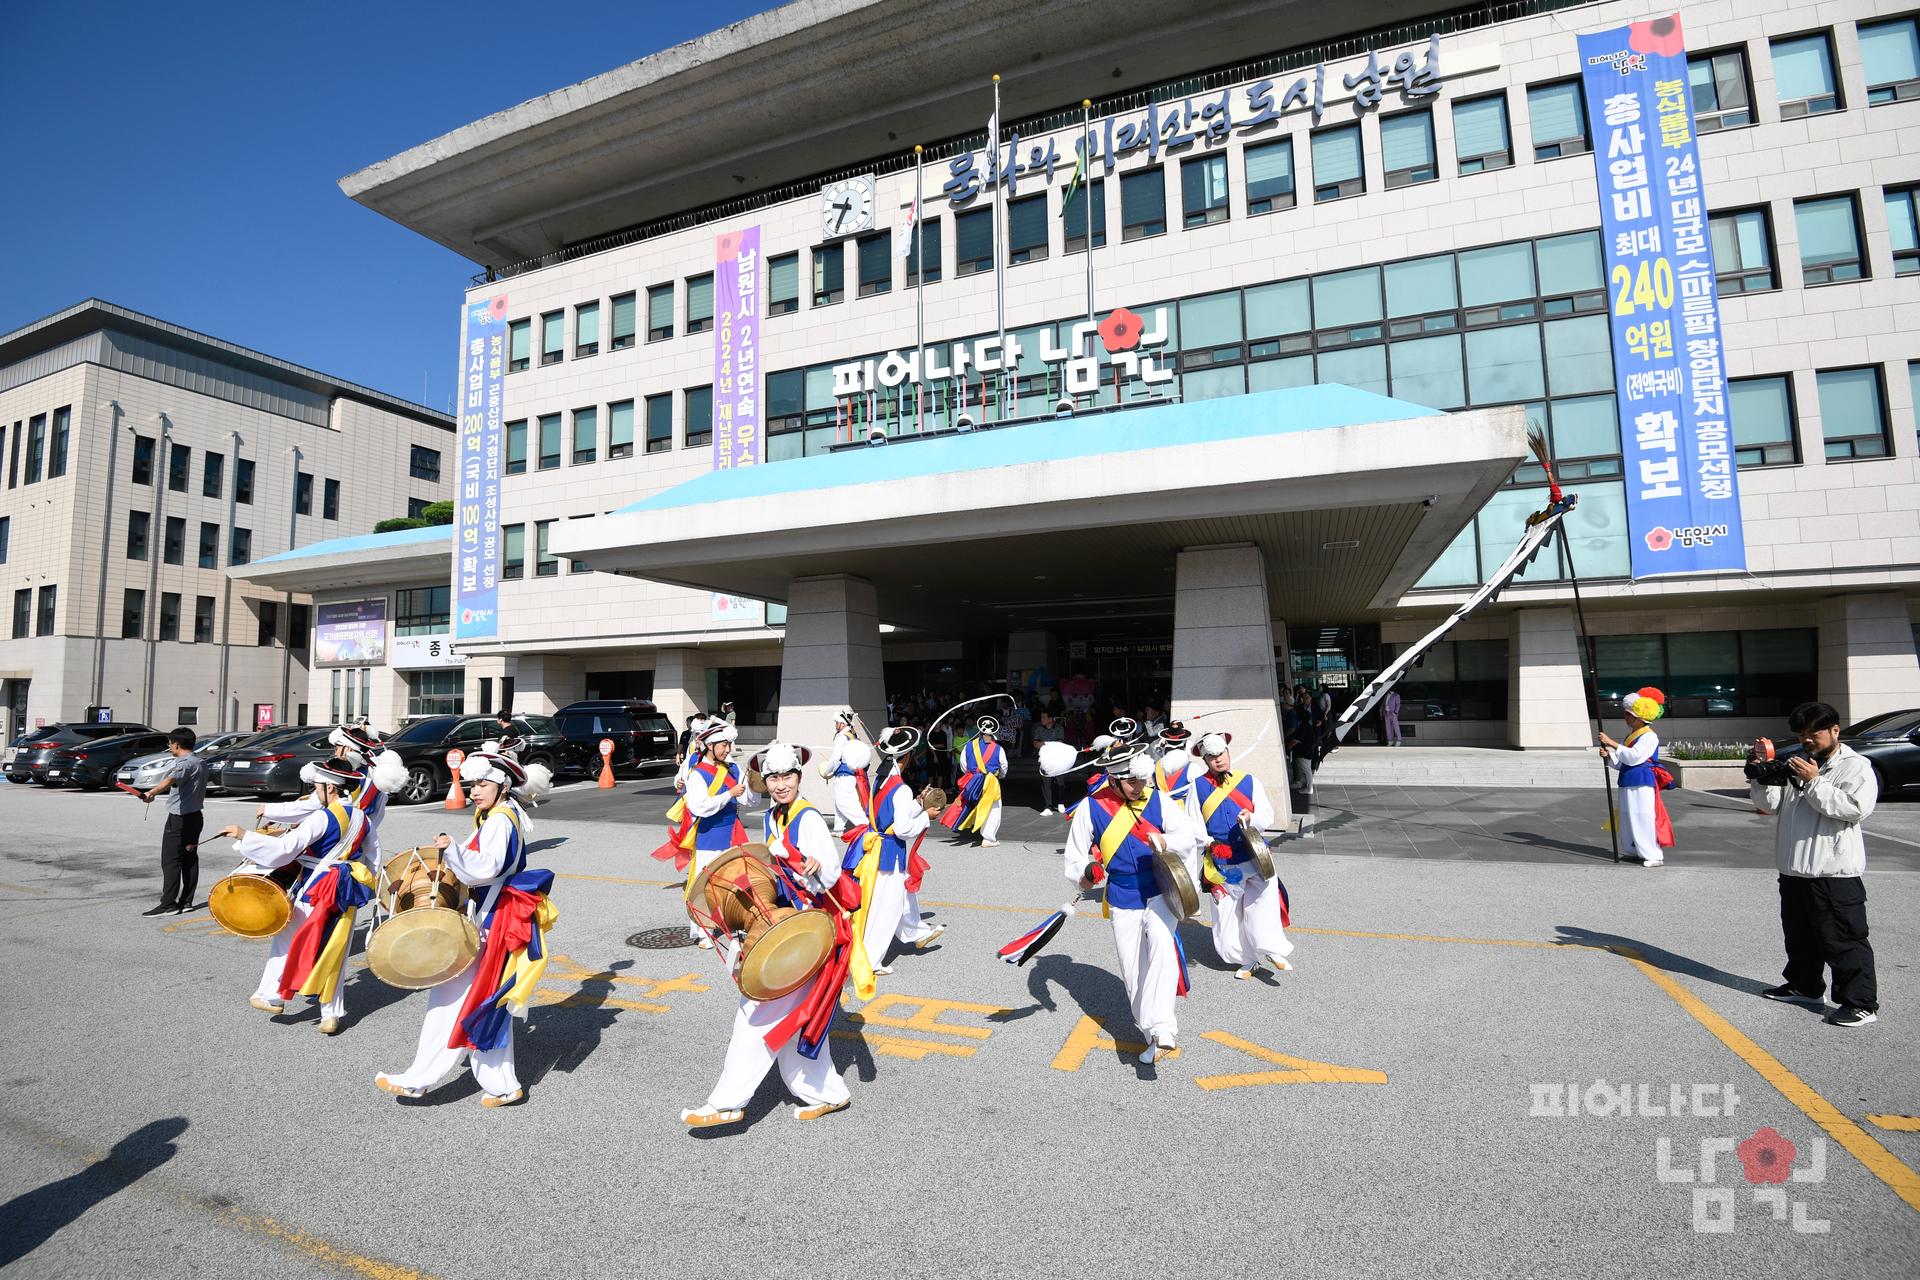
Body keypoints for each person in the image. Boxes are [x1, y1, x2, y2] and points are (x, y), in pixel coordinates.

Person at [682, 743, 853, 1127]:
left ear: (798, 776)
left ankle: (727, 1102)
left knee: (756, 1014)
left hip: (803, 930)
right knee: (795, 1023)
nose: (780, 784)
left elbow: (831, 875)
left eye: (787, 776)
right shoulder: (775, 814)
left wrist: (815, 865)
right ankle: (828, 1092)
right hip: (785, 925)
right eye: (773, 778)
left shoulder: (807, 818)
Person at [376, 749, 556, 1104]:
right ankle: (500, 1085)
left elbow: (487, 867)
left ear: (502, 786)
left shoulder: (501, 820)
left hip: (492, 919)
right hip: (491, 915)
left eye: (483, 783)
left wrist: (453, 851)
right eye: (473, 784)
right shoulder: (497, 814)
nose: (475, 790)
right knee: (482, 1001)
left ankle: (426, 1078)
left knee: (463, 999)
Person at [1063, 742, 1203, 1064]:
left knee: (1162, 948)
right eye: (1132, 782)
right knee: (1132, 970)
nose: (1139, 786)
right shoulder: (1091, 807)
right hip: (1123, 898)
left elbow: (1189, 834)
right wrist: (1086, 871)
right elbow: (1073, 859)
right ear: (1113, 780)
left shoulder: (1157, 799)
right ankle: (1149, 1034)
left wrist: (1167, 840)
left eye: (1141, 780)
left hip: (1160, 891)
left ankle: (1164, 1027)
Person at [214, 760, 372, 1036]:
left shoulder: (322, 817)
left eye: (316, 787)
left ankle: (272, 995)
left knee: (286, 938)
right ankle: (330, 1014)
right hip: (345, 888)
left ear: (329, 788)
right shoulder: (362, 818)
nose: (314, 791)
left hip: (315, 887)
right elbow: (373, 856)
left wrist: (244, 836)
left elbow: (286, 848)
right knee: (335, 952)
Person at [1748, 702, 1880, 1027]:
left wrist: (1814, 782)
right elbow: (1770, 805)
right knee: (1799, 936)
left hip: (1832, 871)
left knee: (1843, 938)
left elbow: (1854, 808)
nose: (1808, 740)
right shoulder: (1801, 762)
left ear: (1835, 730)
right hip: (1794, 868)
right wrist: (1763, 777)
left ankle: (1860, 1003)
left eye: (1814, 734)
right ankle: (1805, 986)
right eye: (1802, 735)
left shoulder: (1855, 766)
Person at [1187, 732, 1293, 980]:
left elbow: (1266, 813)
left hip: (1254, 855)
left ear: (1228, 752)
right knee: (1227, 914)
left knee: (1263, 905)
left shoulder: (1250, 781)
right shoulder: (1197, 787)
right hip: (1222, 862)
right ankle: (1246, 960)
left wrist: (1251, 818)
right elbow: (1192, 822)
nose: (1218, 760)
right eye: (1212, 757)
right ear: (1205, 760)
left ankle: (1272, 949)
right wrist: (1208, 843)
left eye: (1221, 754)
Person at [846, 725, 945, 977]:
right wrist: (926, 816)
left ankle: (918, 932)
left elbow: (888, 816)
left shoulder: (880, 780)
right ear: (908, 756)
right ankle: (869, 962)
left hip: (877, 848)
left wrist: (918, 803)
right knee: (886, 909)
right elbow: (902, 829)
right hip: (889, 853)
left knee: (900, 898)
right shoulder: (900, 788)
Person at [655, 720, 750, 945]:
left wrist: (755, 785)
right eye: (723, 745)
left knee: (739, 880)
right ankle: (703, 930)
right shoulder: (698, 773)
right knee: (705, 884)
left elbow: (748, 800)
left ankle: (739, 923)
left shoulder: (734, 768)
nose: (728, 749)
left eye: (729, 745)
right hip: (709, 834)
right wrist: (730, 794)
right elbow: (699, 807)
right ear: (710, 746)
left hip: (733, 832)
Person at [258, 725, 407, 867]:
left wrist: (269, 810)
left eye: (337, 747)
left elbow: (313, 805)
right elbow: (377, 816)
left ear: (347, 748)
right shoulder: (376, 774)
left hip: (329, 848)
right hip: (356, 845)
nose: (335, 751)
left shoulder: (343, 777)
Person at [1598, 686, 1672, 867]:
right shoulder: (1632, 736)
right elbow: (1623, 762)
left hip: (1642, 781)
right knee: (1627, 816)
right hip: (1628, 779)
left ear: (1638, 717)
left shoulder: (1649, 736)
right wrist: (1610, 757)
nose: (1626, 717)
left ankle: (1653, 854)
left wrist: (1612, 744)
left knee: (1642, 816)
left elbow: (1634, 757)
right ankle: (1635, 849)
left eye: (1628, 715)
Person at [140, 728, 207, 916]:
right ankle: (186, 901)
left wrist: (151, 793)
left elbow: (171, 779)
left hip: (179, 820)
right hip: (195, 817)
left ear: (176, 744)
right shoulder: (201, 762)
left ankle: (168, 904)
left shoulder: (183, 763)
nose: (169, 747)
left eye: (169, 743)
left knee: (171, 861)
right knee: (190, 859)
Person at [940, 715, 1008, 846]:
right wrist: (1000, 776)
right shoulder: (999, 749)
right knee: (993, 808)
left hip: (972, 780)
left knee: (970, 804)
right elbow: (1004, 767)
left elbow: (963, 765)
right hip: (990, 781)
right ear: (993, 733)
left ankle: (971, 827)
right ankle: (988, 838)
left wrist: (973, 775)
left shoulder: (969, 746)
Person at [818, 709, 868, 835]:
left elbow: (836, 758)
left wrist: (827, 770)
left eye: (836, 722)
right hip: (851, 774)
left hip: (844, 774)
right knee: (840, 801)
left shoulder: (842, 737)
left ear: (842, 724)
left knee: (844, 802)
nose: (835, 725)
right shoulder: (853, 735)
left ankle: (864, 825)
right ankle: (839, 828)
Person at [1033, 710, 1067, 814]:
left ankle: (1061, 802)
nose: (1042, 719)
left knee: (1060, 781)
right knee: (1046, 782)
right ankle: (1048, 806)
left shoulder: (1059, 728)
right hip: (1045, 758)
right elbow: (1035, 743)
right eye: (1041, 717)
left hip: (1058, 759)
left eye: (1044, 717)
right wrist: (1049, 744)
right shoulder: (1039, 729)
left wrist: (1045, 744)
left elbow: (1060, 742)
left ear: (1050, 718)